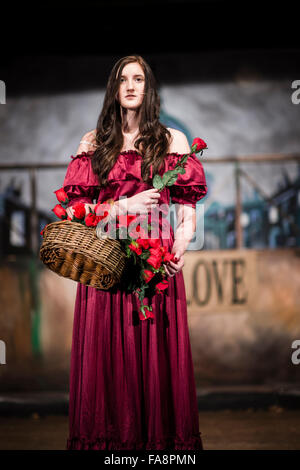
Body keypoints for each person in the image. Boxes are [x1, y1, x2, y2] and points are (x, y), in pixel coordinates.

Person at [62, 54, 207, 450]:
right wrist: (121, 208)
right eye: (123, 79)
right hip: (106, 262)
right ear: (114, 88)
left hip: (155, 263)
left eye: (138, 79)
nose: (130, 85)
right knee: (108, 361)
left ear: (148, 87)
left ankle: (160, 450)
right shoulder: (93, 144)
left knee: (156, 356)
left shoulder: (171, 140)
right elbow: (75, 214)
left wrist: (182, 241)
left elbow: (187, 207)